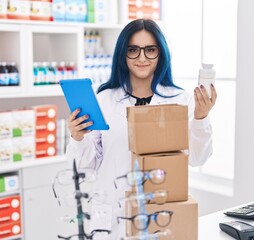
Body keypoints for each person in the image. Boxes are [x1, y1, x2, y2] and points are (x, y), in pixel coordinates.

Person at [65, 19, 217, 239]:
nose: (142, 58)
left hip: (160, 213)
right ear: (122, 54)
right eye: (133, 50)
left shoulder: (181, 100)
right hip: (112, 218)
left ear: (161, 54)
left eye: (150, 50)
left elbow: (197, 158)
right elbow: (83, 167)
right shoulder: (104, 100)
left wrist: (201, 118)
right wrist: (77, 137)